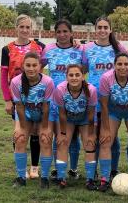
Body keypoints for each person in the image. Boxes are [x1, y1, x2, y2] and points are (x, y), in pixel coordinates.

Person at [82, 15, 126, 183]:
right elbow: (83, 69)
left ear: (110, 29)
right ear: (95, 29)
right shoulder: (87, 48)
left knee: (111, 137)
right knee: (94, 136)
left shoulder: (118, 48)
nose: (102, 30)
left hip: (113, 100)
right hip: (93, 99)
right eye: (99, 27)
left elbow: (125, 70)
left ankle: (112, 170)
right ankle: (93, 171)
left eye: (105, 27)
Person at [1, 14, 44, 179]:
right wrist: (7, 100)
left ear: (31, 29)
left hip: (36, 97)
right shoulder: (7, 49)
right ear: (16, 28)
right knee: (19, 132)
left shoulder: (39, 46)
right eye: (22, 27)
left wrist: (75, 43)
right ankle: (21, 168)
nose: (25, 30)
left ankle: (34, 168)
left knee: (35, 132)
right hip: (17, 98)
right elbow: (4, 77)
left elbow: (55, 51)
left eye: (28, 27)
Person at [99, 53, 128, 193]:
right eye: (119, 64)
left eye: (126, 64)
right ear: (114, 65)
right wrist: (106, 128)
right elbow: (104, 105)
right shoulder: (106, 78)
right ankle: (105, 178)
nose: (123, 67)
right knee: (106, 141)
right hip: (113, 112)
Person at [42, 19, 83, 181]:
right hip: (55, 101)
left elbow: (85, 69)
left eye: (65, 31)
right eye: (59, 31)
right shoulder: (49, 49)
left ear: (71, 33)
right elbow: (39, 66)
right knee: (57, 136)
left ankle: (72, 169)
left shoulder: (80, 49)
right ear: (55, 34)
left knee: (73, 136)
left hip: (75, 100)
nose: (62, 34)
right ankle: (57, 168)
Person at [10, 52, 54, 188]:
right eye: (28, 65)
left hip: (43, 115)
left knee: (45, 139)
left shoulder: (47, 82)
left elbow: (46, 107)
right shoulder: (16, 82)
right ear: (23, 66)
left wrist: (45, 127)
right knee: (20, 138)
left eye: (34, 65)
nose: (31, 68)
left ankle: (45, 178)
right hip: (25, 114)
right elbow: (19, 107)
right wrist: (23, 129)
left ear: (40, 66)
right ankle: (21, 178)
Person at [53, 64, 98, 190]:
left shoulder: (91, 90)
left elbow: (91, 115)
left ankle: (90, 179)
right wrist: (62, 133)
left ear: (83, 76)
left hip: (84, 119)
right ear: (66, 77)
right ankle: (61, 178)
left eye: (77, 75)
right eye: (71, 75)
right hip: (68, 119)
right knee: (62, 143)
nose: (74, 78)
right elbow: (61, 114)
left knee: (89, 144)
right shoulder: (60, 89)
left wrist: (91, 134)